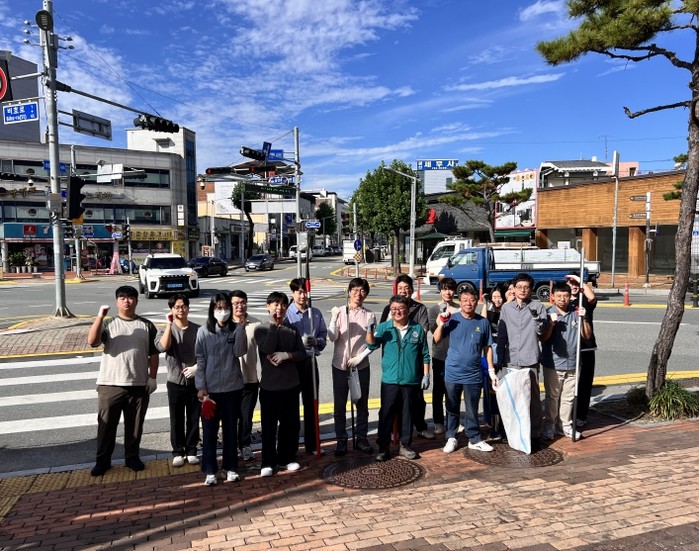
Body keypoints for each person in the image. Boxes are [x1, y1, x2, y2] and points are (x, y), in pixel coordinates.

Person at [86, 285, 159, 476]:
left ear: (137, 300)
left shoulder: (146, 325)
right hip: (110, 384)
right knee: (106, 426)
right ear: (117, 301)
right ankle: (102, 461)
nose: (127, 301)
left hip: (138, 385)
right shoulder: (109, 323)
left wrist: (152, 378)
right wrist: (99, 317)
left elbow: (153, 354)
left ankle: (132, 457)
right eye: (122, 298)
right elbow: (92, 341)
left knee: (135, 426)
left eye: (131, 297)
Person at [434, 288, 496, 454]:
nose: (468, 303)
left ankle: (474, 438)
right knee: (452, 407)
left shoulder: (483, 322)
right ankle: (451, 437)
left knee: (472, 408)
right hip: (452, 372)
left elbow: (487, 347)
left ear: (476, 302)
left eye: (472, 300)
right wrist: (441, 323)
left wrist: (491, 370)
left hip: (473, 373)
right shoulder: (452, 319)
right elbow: (436, 339)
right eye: (464, 300)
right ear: (460, 302)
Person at [369, 294, 431, 461]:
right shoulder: (384, 327)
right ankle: (383, 448)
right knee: (386, 414)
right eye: (394, 309)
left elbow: (425, 354)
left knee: (407, 414)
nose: (397, 312)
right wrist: (369, 330)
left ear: (408, 310)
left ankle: (405, 445)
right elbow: (371, 344)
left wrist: (426, 375)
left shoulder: (417, 329)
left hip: (411, 380)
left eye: (401, 308)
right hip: (390, 380)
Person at [194, 293, 248, 486]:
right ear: (212, 310)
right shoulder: (203, 332)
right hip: (210, 391)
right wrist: (201, 386)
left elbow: (240, 352)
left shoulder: (235, 330)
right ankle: (210, 470)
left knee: (230, 431)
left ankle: (230, 468)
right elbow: (200, 359)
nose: (223, 311)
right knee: (209, 432)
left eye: (225, 308)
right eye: (218, 308)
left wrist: (241, 329)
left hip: (232, 387)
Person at [254, 292, 306, 477]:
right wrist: (274, 326)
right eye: (275, 304)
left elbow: (302, 353)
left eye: (283, 305)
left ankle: (286, 458)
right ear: (268, 306)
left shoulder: (292, 329)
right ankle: (268, 461)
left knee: (289, 425)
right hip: (269, 387)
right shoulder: (261, 329)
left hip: (290, 386)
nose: (279, 308)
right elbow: (267, 348)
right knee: (269, 427)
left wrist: (288, 355)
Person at [497, 273, 549, 448]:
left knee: (533, 399)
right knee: (511, 398)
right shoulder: (506, 309)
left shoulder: (538, 307)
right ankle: (511, 433)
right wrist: (499, 359)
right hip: (510, 359)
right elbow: (502, 334)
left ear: (531, 289)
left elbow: (541, 331)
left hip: (530, 358)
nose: (522, 290)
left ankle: (534, 435)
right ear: (514, 288)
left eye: (526, 287)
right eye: (519, 287)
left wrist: (536, 318)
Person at [379, 274, 434, 439]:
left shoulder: (420, 308)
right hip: (394, 364)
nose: (403, 291)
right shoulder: (390, 308)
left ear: (412, 290)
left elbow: (423, 332)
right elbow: (381, 332)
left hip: (414, 361)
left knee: (416, 401)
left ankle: (420, 427)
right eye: (400, 288)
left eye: (407, 288)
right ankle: (391, 432)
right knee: (390, 403)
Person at [327, 278, 376, 456]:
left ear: (366, 294)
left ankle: (361, 437)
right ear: (349, 292)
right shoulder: (340, 312)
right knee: (340, 405)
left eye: (362, 291)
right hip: (340, 365)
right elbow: (332, 337)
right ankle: (341, 439)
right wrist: (333, 318)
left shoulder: (369, 315)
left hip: (361, 366)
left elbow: (372, 342)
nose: (358, 294)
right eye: (354, 290)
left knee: (361, 403)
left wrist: (360, 357)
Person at [540, 281, 592, 440]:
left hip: (573, 363)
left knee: (568, 398)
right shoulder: (548, 313)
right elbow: (543, 338)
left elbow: (587, 336)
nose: (562, 299)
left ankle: (565, 426)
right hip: (553, 364)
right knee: (552, 398)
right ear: (553, 297)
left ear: (570, 296)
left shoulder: (576, 312)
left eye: (566, 296)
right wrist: (551, 324)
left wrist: (584, 318)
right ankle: (550, 426)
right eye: (559, 296)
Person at [155, 293, 201, 468]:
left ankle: (192, 450)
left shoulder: (198, 330)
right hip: (175, 382)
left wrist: (197, 368)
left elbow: (206, 354)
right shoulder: (165, 330)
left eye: (183, 306)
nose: (180, 310)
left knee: (194, 418)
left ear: (188, 308)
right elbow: (163, 346)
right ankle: (177, 451)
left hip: (195, 382)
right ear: (171, 310)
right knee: (176, 418)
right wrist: (169, 324)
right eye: (176, 307)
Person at [285, 277, 328, 455]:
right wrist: (296, 343)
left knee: (311, 404)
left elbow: (323, 335)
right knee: (291, 407)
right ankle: (292, 446)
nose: (303, 296)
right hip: (292, 363)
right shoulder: (287, 313)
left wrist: (317, 341)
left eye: (305, 292)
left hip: (310, 362)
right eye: (299, 292)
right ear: (293, 293)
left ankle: (312, 444)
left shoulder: (315, 313)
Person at [231, 290, 261, 462]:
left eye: (243, 302)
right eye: (236, 303)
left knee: (246, 416)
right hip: (229, 382)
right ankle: (231, 446)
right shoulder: (224, 325)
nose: (240, 306)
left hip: (250, 379)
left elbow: (265, 350)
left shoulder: (256, 325)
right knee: (230, 417)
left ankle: (245, 445)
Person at [427, 277, 459, 435]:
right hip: (440, 355)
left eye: (451, 289)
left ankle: (453, 421)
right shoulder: (434, 309)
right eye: (445, 289)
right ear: (440, 291)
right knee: (439, 390)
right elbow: (434, 332)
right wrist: (441, 319)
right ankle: (438, 422)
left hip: (457, 355)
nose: (448, 292)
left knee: (454, 390)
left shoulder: (459, 309)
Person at [566, 273, 597, 427]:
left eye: (576, 284)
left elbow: (592, 297)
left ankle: (580, 414)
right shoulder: (564, 301)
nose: (574, 286)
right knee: (569, 382)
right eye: (570, 283)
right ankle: (567, 415)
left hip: (586, 346)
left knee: (584, 381)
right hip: (569, 347)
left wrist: (580, 280)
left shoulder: (584, 300)